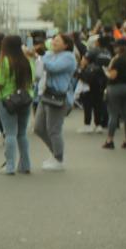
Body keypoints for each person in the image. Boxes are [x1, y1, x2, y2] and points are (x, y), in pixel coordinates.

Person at [33, 33, 78, 170]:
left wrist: (39, 58)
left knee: (54, 129)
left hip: (59, 97)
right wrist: (40, 57)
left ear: (66, 44)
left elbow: (53, 67)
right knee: (39, 128)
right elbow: (41, 68)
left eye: (58, 41)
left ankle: (59, 158)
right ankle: (55, 154)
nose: (54, 42)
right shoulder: (49, 54)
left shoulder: (69, 57)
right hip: (46, 95)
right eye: (54, 40)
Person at [0, 35, 34, 175]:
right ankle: (25, 164)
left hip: (7, 101)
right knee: (22, 134)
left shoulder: (4, 62)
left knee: (9, 133)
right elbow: (32, 80)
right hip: (25, 99)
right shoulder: (27, 61)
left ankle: (9, 165)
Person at [103, 36, 126, 150]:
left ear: (120, 47)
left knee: (113, 114)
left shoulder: (119, 60)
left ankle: (110, 140)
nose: (114, 48)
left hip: (116, 87)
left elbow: (113, 76)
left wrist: (106, 72)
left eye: (116, 46)